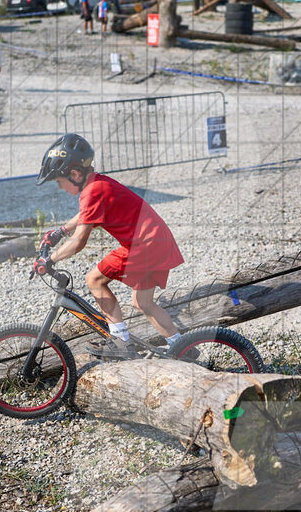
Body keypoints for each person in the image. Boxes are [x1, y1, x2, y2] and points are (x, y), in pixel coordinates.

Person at [32, 133, 189, 359]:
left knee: (94, 279)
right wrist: (59, 232)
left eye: (59, 181)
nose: (60, 187)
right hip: (156, 241)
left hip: (145, 244)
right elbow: (86, 215)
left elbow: (78, 242)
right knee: (142, 302)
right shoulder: (97, 184)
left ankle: (121, 342)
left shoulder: (93, 192)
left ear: (74, 174)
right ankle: (182, 347)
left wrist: (49, 261)